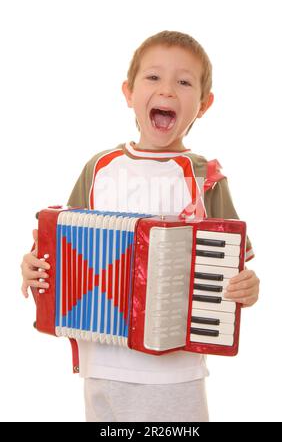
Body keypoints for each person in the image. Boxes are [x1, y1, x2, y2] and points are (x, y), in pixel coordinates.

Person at [20, 30, 260, 422]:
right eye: (153, 77)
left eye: (184, 82)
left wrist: (247, 288)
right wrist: (33, 267)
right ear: (129, 92)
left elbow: (237, 269)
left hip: (174, 374)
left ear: (203, 104)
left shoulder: (207, 177)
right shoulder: (98, 168)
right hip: (102, 365)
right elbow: (60, 246)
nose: (167, 89)